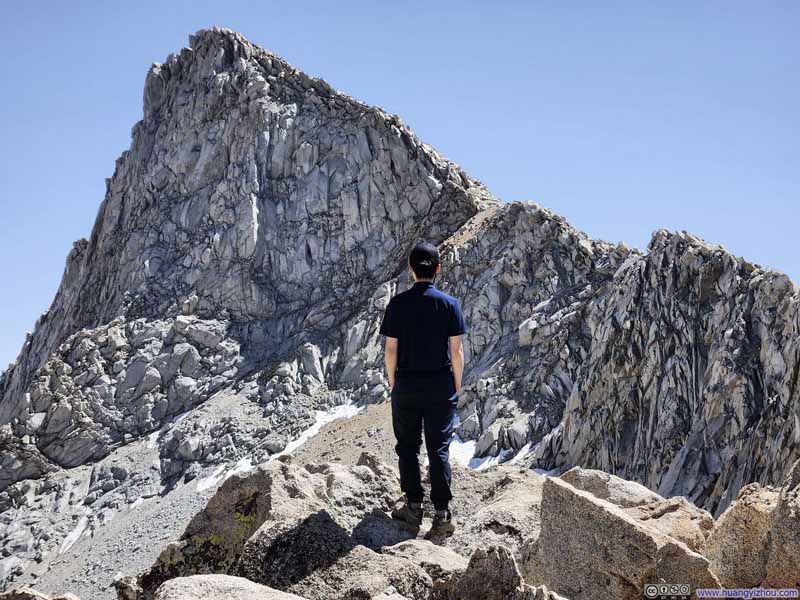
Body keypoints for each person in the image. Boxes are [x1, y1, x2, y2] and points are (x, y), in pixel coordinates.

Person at [379, 241, 466, 538]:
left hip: (407, 384)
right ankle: (442, 514)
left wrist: (393, 381)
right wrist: (455, 383)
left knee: (407, 446)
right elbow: (457, 351)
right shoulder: (450, 304)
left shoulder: (397, 304)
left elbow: (391, 350)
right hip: (441, 385)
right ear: (438, 269)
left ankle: (413, 506)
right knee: (438, 449)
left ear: (410, 269)